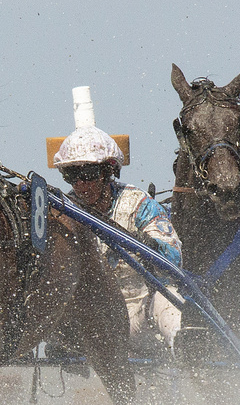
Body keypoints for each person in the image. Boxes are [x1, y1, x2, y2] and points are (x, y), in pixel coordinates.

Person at [54, 126, 185, 354]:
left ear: (108, 172)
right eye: (72, 176)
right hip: (95, 317)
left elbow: (174, 260)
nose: (80, 185)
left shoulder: (139, 204)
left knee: (169, 297)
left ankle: (183, 350)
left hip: (140, 307)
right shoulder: (64, 211)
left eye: (88, 175)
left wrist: (147, 244)